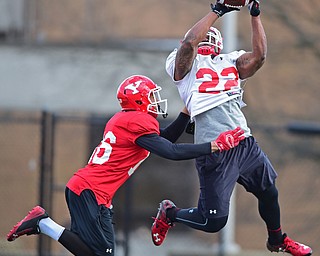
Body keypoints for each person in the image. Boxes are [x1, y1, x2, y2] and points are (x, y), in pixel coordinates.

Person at [7, 75, 245, 256]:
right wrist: (212, 145)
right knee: (99, 254)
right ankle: (42, 223)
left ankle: (43, 223)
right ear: (138, 99)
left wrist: (185, 111)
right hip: (89, 191)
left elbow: (167, 140)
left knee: (105, 252)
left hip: (95, 193)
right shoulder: (135, 122)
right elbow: (170, 151)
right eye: (151, 96)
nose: (155, 101)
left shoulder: (128, 120)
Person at [150, 1, 313, 256]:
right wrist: (218, 11)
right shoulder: (182, 66)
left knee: (269, 190)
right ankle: (170, 214)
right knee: (213, 221)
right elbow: (189, 43)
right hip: (215, 147)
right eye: (205, 37)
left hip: (242, 140)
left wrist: (255, 15)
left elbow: (259, 56)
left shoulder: (231, 60)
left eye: (211, 38)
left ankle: (277, 239)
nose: (206, 40)